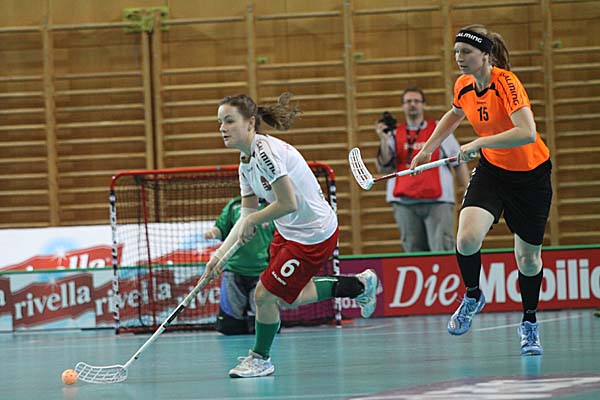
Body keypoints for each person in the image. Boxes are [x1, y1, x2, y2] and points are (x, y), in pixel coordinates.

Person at [202, 92, 378, 378]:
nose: (223, 128)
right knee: (287, 297)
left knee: (264, 296)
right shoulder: (245, 164)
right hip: (289, 231)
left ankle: (260, 359)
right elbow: (246, 216)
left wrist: (253, 220)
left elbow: (288, 203)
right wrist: (218, 257)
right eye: (220, 122)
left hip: (313, 234)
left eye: (229, 121)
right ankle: (358, 285)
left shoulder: (265, 153)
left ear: (250, 123)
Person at [410, 24, 552, 356]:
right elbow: (454, 114)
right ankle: (473, 294)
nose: (459, 58)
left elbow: (527, 132)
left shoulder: (507, 83)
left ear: (486, 55)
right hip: (492, 172)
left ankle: (529, 322)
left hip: (531, 178)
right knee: (466, 239)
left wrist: (479, 142)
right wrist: (428, 148)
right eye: (456, 52)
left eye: (466, 52)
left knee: (527, 259)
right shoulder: (463, 85)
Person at [375, 87, 470, 252]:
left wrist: (469, 192)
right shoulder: (394, 133)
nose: (412, 105)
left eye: (416, 101)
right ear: (403, 106)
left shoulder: (439, 128)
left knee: (442, 248)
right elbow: (383, 167)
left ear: (423, 104)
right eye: (408, 101)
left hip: (438, 201)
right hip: (404, 202)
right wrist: (383, 139)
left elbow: (458, 161)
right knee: (412, 250)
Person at [204, 196, 274, 335]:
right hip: (234, 270)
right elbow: (221, 228)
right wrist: (213, 233)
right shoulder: (235, 205)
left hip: (262, 273)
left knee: (263, 327)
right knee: (230, 327)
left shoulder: (273, 207)